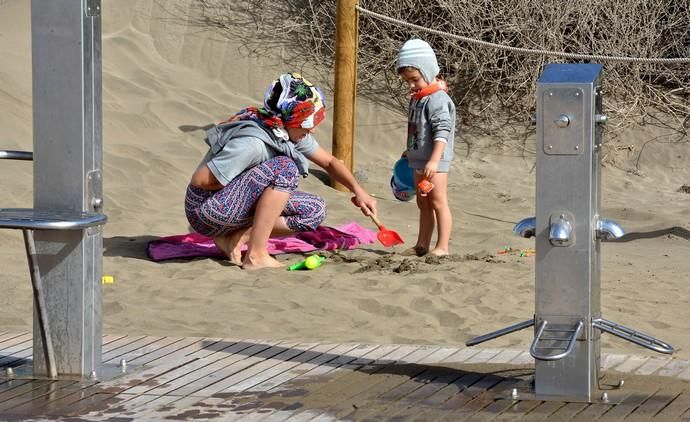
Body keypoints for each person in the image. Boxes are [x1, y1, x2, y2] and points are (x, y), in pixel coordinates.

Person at [185, 73, 377, 270]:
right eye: (308, 124)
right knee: (284, 168)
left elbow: (329, 162)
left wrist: (358, 191)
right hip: (206, 209)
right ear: (292, 120)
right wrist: (247, 188)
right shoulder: (253, 143)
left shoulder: (286, 133)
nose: (312, 131)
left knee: (314, 210)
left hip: (236, 205)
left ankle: (236, 238)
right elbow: (201, 181)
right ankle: (256, 256)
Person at [396, 39, 456, 257]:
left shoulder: (437, 99)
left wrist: (434, 159)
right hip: (418, 160)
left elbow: (443, 132)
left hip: (435, 163)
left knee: (439, 201)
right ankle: (422, 244)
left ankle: (442, 247)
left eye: (414, 79)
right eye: (407, 81)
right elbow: (417, 130)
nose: (411, 85)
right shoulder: (417, 98)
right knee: (423, 202)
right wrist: (409, 150)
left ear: (427, 70)